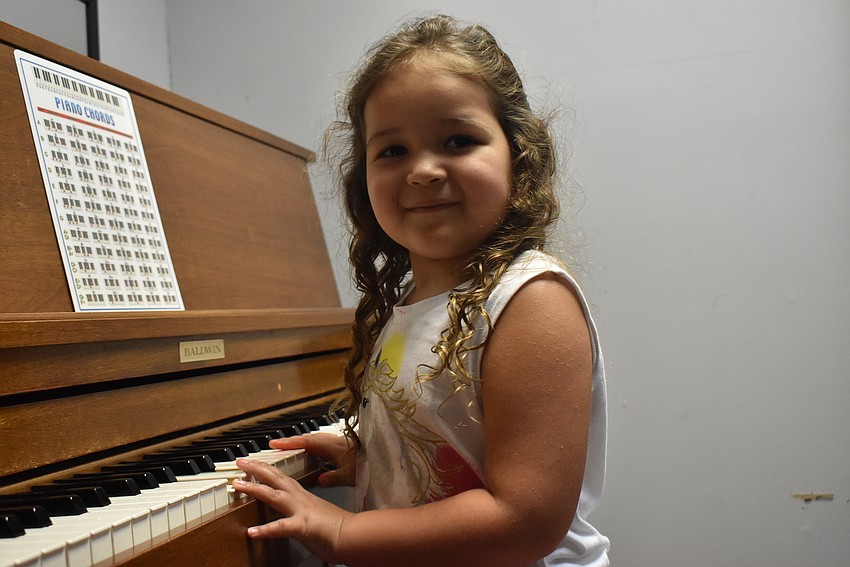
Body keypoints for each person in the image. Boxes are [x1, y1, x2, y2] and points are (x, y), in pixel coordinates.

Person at [234, 14, 609, 567]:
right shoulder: (411, 302)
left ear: (519, 156)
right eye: (392, 151)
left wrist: (342, 531)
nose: (423, 170)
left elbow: (525, 520)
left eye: (458, 140)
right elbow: (454, 442)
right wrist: (379, 459)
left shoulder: (532, 301)